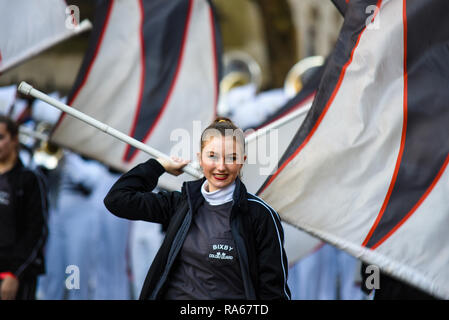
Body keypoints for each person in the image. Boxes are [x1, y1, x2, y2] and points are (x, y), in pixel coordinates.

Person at [104, 117, 291, 300]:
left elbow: (274, 292)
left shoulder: (260, 215)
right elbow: (117, 199)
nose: (221, 166)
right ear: (200, 158)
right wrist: (158, 166)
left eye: (231, 158)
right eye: (212, 156)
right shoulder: (181, 204)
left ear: (242, 161)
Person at [0, 116, 48, 300]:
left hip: (16, 275)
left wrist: (15, 273)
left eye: (1, 137)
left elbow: (37, 231)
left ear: (14, 140)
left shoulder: (29, 180)